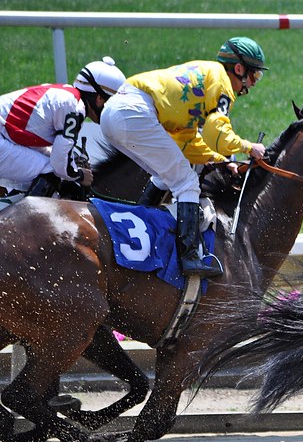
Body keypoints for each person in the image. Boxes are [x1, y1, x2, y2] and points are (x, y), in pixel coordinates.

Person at [100, 37, 269, 278]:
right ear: (239, 69)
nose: (252, 84)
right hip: (134, 113)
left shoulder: (205, 78)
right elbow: (215, 132)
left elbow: (187, 140)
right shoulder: (222, 83)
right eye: (254, 76)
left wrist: (220, 160)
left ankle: (142, 231)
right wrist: (248, 147)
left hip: (116, 113)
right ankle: (189, 258)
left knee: (164, 176)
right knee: (186, 183)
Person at [0, 57, 126, 197]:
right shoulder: (74, 108)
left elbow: (57, 155)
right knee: (50, 170)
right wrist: (80, 175)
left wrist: (71, 172)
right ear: (99, 99)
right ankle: (22, 218)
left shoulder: (69, 97)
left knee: (49, 170)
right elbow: (59, 164)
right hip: (4, 136)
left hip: (5, 135)